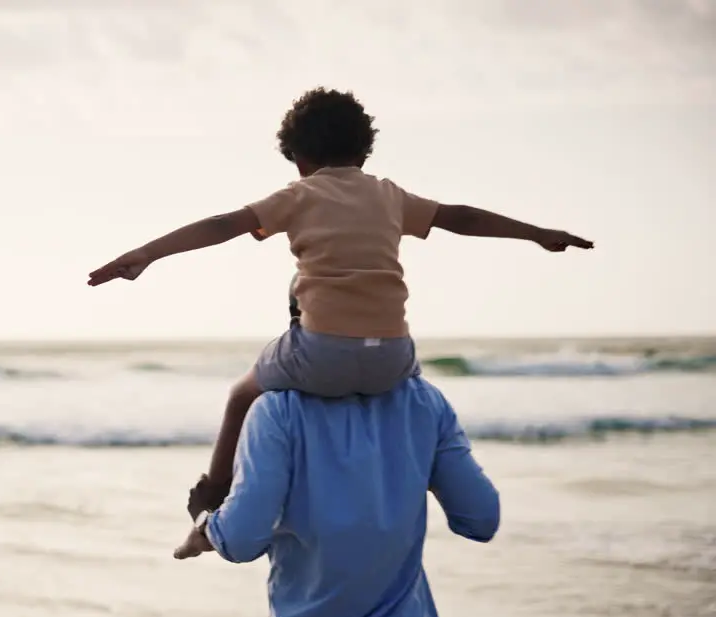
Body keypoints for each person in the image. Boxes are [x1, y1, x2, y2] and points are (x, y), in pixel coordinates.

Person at [85, 86, 591, 536]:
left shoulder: (300, 193)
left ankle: (213, 494)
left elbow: (224, 224)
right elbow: (463, 216)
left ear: (298, 157)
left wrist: (147, 253)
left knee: (242, 392)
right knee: (416, 396)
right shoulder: (389, 195)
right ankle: (439, 483)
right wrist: (537, 233)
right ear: (364, 149)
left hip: (320, 354)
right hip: (394, 357)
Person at [174, 375, 500, 617]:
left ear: (298, 319)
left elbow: (241, 540)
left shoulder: (277, 409)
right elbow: (480, 518)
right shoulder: (423, 402)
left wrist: (205, 523)